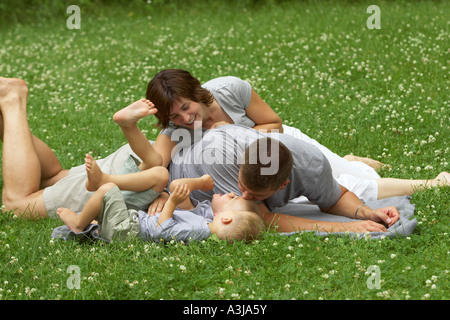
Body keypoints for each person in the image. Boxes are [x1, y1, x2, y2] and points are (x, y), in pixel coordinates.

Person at [143, 69, 449, 212]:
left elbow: (273, 123)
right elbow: (154, 168)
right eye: (174, 116)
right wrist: (160, 196)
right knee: (340, 187)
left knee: (353, 182)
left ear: (197, 92)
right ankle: (349, 162)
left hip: (284, 145)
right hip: (260, 173)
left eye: (186, 108)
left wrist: (236, 135)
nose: (184, 118)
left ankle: (433, 183)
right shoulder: (175, 130)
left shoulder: (229, 89)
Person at [165, 123, 449, 233]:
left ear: (283, 186)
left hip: (296, 158)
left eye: (256, 195)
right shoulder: (225, 160)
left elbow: (334, 197)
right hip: (172, 172)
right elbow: (261, 220)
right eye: (243, 188)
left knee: (359, 188)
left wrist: (365, 211)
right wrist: (346, 228)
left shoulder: (311, 163)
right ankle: (351, 161)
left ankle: (349, 162)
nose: (245, 198)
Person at [56, 155, 264, 244]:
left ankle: (79, 223)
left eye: (233, 199)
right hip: (134, 219)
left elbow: (163, 230)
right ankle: (92, 219)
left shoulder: (201, 227)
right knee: (159, 174)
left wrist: (172, 202)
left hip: (131, 225)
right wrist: (198, 184)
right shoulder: (203, 219)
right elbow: (174, 188)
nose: (229, 192)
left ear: (226, 219)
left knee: (108, 190)